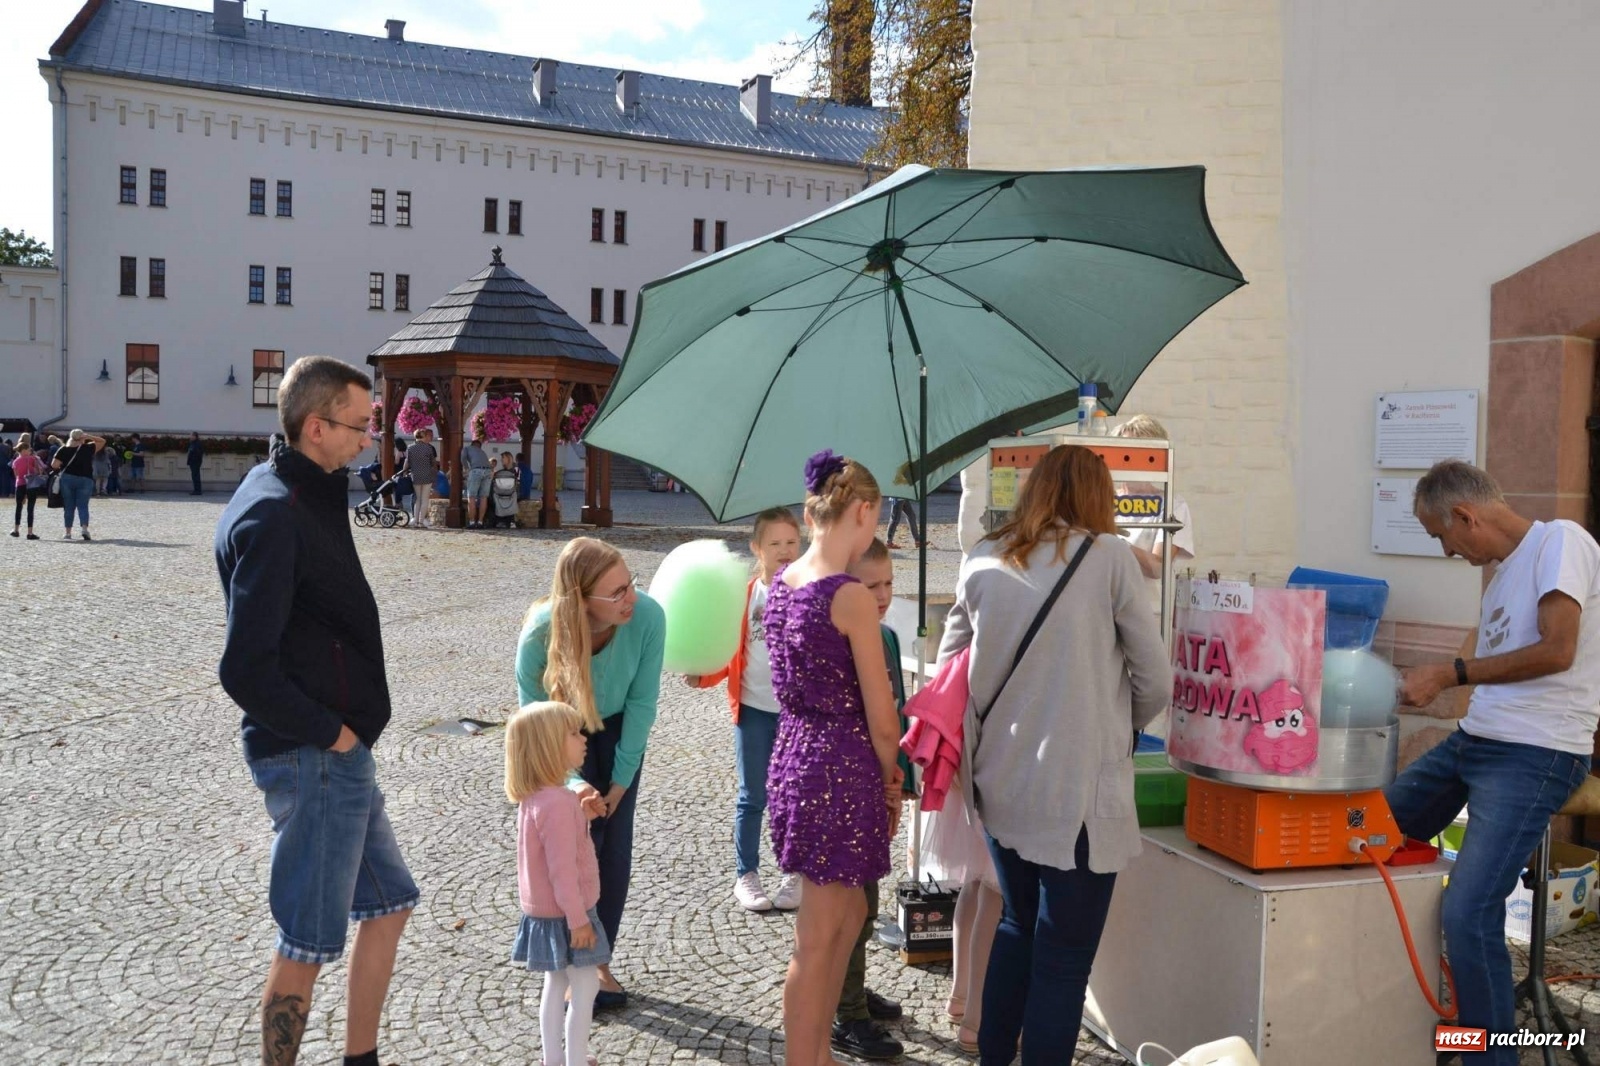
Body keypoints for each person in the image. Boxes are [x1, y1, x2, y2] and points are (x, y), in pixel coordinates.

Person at [938, 444, 1169, 1065]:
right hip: (1080, 794)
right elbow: (1157, 680)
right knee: (1064, 961)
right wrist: (1113, 728)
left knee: (1016, 928)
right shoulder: (1111, 558)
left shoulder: (983, 557)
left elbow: (949, 668)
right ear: (1098, 497)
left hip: (1002, 783)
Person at [215, 356, 417, 1066]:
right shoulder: (275, 512)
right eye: (360, 427)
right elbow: (244, 668)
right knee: (306, 941)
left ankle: (360, 1059)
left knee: (389, 904)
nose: (370, 440)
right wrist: (332, 735)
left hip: (339, 753)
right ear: (316, 427)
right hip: (314, 755)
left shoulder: (303, 489)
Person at [1387, 460, 1600, 1066]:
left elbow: (1558, 650)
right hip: (1475, 740)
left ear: (1464, 516)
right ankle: (1380, 1011)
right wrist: (1413, 686)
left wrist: (1451, 675)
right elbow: (1477, 651)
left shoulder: (1562, 542)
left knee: (1469, 908)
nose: (1447, 549)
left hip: (1538, 752)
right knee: (1367, 834)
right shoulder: (1502, 576)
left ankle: (1490, 1056)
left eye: (1441, 537)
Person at [764, 449, 903, 1066]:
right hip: (838, 767)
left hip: (794, 754)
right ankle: (806, 1058)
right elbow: (882, 714)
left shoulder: (782, 582)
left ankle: (818, 1048)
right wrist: (892, 779)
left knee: (846, 913)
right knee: (818, 938)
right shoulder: (847, 596)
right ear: (863, 512)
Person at [517, 537, 666, 1011]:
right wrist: (572, 781)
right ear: (581, 601)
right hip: (561, 733)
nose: (631, 598)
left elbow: (643, 703)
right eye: (617, 592)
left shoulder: (647, 617)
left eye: (631, 584)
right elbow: (535, 724)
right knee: (568, 845)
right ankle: (563, 959)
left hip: (621, 729)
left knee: (612, 846)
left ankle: (599, 961)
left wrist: (620, 781)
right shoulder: (540, 636)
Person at [687, 507, 806, 914]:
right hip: (753, 709)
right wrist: (703, 675)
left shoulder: (810, 593)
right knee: (752, 796)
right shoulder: (746, 594)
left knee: (794, 794)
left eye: (791, 542)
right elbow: (728, 647)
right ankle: (747, 874)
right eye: (774, 543)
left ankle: (794, 872)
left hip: (797, 715)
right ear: (757, 548)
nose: (785, 550)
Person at [830, 536, 914, 1062]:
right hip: (845, 788)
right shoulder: (839, 640)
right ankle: (845, 1014)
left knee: (869, 900)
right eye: (871, 585)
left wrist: (898, 779)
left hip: (877, 783)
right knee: (848, 904)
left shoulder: (884, 636)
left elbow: (896, 713)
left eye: (888, 584)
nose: (882, 595)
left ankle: (852, 993)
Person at [505, 701, 610, 1066]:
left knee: (556, 985)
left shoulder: (538, 798)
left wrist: (583, 816)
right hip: (570, 913)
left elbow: (553, 848)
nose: (584, 739)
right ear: (550, 746)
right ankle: (576, 1061)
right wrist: (579, 919)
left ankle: (555, 1060)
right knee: (586, 986)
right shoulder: (559, 803)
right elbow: (562, 869)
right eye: (573, 733)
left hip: (545, 912)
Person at [1110, 415, 1194, 616]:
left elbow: (1157, 568)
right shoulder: (1101, 503)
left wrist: (1117, 543)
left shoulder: (1172, 505)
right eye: (1124, 454)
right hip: (1104, 614)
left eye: (1141, 454)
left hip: (1149, 616)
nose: (1130, 462)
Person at [50, 429, 108, 542]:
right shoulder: (89, 448)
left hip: (67, 479)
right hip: (85, 479)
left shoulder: (64, 449)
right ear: (82, 437)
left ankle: (68, 533)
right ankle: (84, 529)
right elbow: (102, 441)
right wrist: (88, 436)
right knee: (83, 505)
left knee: (69, 506)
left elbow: (54, 465)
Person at [401, 427, 438, 528]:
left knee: (418, 499)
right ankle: (421, 522)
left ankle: (416, 520)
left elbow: (407, 462)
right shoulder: (428, 448)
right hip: (427, 475)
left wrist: (404, 474)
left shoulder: (410, 448)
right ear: (423, 436)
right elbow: (433, 463)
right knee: (425, 499)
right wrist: (434, 475)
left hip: (415, 475)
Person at [10, 436, 45, 540]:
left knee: (18, 507)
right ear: (24, 450)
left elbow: (16, 475)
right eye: (29, 449)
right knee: (30, 508)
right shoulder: (33, 459)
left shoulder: (15, 461)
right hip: (31, 484)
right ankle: (30, 533)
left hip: (20, 484)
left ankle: (16, 530)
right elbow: (39, 471)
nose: (30, 451)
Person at [461, 432, 493, 529]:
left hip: (476, 471)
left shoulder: (466, 448)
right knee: (484, 497)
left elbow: (463, 458)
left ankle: (471, 522)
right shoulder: (482, 452)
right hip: (488, 471)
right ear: (479, 446)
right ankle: (480, 522)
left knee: (471, 497)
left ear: (472, 444)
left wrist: (467, 469)